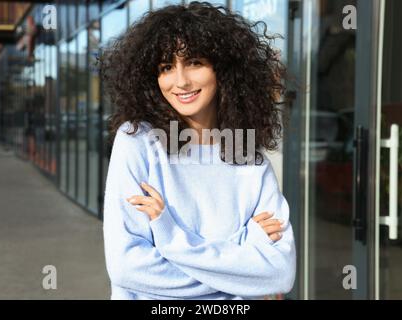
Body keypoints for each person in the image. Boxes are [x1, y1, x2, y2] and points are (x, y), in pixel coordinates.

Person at [101, 1, 296, 300]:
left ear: (223, 69)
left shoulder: (246, 156)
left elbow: (280, 273)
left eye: (194, 62)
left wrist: (170, 242)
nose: (180, 81)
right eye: (166, 67)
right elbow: (127, 268)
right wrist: (241, 256)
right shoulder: (138, 142)